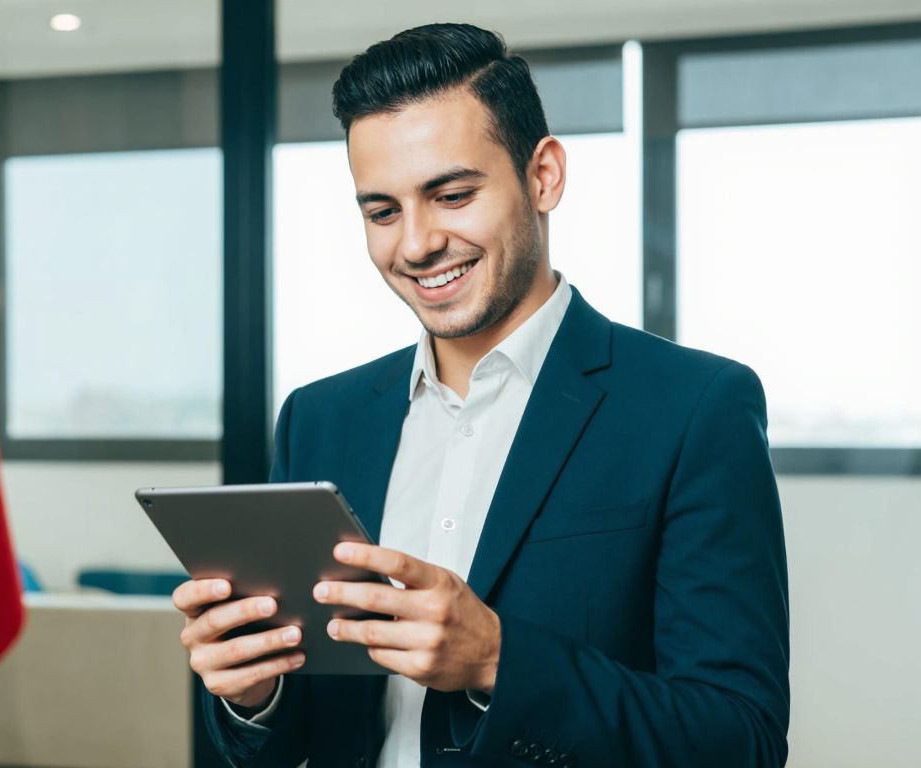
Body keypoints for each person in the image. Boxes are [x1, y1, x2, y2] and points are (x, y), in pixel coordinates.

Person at [170, 23, 789, 768]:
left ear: (544, 176)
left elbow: (739, 739)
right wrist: (253, 697)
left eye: (452, 194)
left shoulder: (694, 408)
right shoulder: (319, 418)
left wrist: (499, 660)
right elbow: (293, 737)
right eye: (382, 211)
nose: (417, 243)